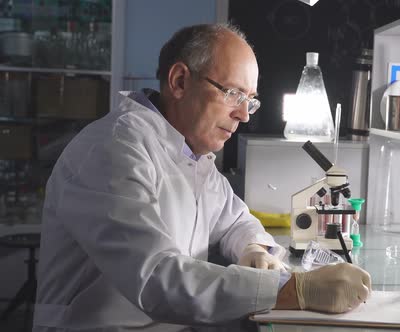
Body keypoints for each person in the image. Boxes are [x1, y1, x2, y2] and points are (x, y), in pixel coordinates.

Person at [33, 23, 371, 332]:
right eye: (233, 94)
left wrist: (252, 246)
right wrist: (295, 290)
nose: (242, 115)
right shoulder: (113, 150)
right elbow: (156, 278)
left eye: (249, 101)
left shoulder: (192, 155)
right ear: (180, 81)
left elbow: (235, 220)